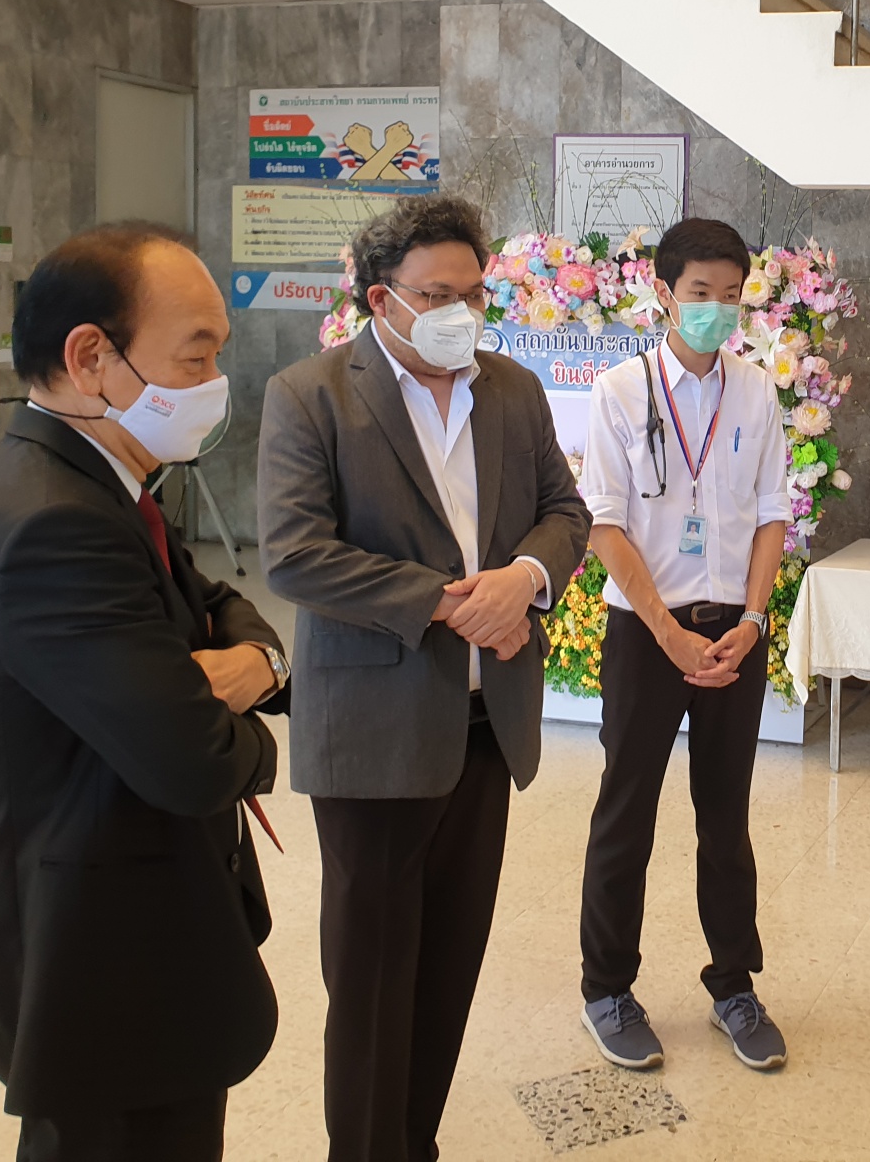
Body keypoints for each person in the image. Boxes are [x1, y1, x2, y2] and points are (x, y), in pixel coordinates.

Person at [0, 223, 290, 1162]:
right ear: (92, 357)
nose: (215, 381)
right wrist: (251, 735)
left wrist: (263, 667)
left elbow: (216, 604)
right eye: (196, 356)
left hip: (138, 941)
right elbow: (193, 761)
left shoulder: (100, 478)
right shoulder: (51, 523)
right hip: (102, 964)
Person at [257, 194, 590, 1162]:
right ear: (382, 299)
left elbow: (566, 511)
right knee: (371, 979)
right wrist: (448, 603)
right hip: (375, 727)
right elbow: (295, 554)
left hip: (488, 725)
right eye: (437, 295)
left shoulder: (513, 389)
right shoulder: (312, 394)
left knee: (448, 966)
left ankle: (417, 1144)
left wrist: (525, 579)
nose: (461, 312)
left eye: (474, 293)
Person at [575, 217, 791, 1073]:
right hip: (647, 632)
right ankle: (607, 989)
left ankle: (734, 985)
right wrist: (666, 632)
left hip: (734, 632)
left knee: (725, 818)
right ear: (665, 294)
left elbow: (771, 515)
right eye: (700, 293)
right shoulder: (620, 392)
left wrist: (752, 620)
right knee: (625, 812)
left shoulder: (757, 392)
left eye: (731, 295)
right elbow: (603, 524)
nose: (716, 309)